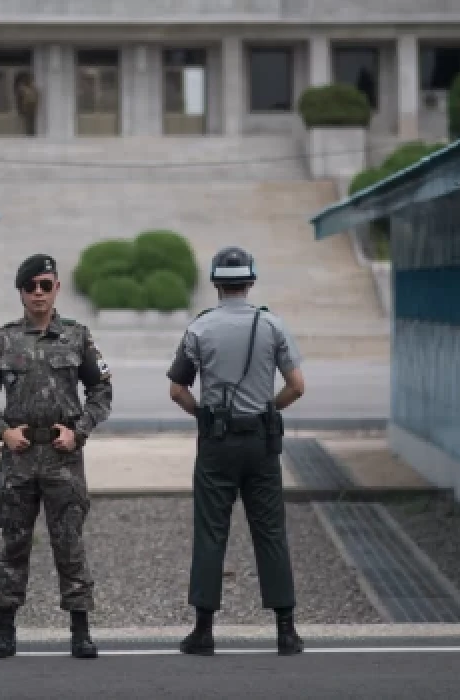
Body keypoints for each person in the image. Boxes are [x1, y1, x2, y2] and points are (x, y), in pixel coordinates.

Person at [0, 253, 113, 659]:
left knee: (69, 543)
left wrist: (79, 430)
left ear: (56, 289)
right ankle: (5, 630)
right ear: (20, 291)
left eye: (44, 286)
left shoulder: (78, 337)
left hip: (63, 458)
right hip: (19, 458)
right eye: (30, 286)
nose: (37, 294)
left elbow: (101, 390)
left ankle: (80, 631)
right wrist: (3, 431)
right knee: (14, 543)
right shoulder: (2, 340)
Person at [167, 246, 306, 656]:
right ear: (250, 282)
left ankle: (204, 631)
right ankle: (286, 630)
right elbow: (297, 386)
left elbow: (177, 390)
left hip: (217, 442)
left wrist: (203, 416)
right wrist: (269, 409)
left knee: (212, 532)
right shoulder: (272, 325)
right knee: (270, 531)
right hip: (261, 442)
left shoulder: (200, 329)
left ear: (215, 283)